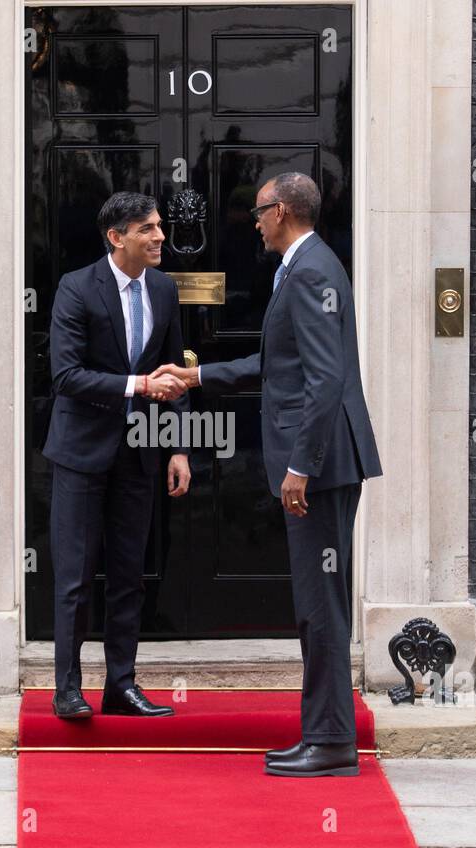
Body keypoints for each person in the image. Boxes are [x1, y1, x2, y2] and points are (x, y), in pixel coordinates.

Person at [153, 172, 382, 775]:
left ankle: (331, 742)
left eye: (257, 212)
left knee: (320, 605)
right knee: (315, 603)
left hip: (322, 467)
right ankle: (324, 735)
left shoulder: (308, 271)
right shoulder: (309, 267)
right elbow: (280, 365)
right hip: (325, 463)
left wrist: (301, 467)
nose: (253, 222)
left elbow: (325, 379)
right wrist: (198, 375)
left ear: (281, 211)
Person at [42, 191, 192, 719]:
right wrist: (135, 386)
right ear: (117, 237)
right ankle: (67, 690)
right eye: (148, 229)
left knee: (129, 574)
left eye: (159, 227)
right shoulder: (77, 288)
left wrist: (177, 445)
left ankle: (121, 686)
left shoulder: (166, 290)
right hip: (81, 454)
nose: (159, 237)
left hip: (140, 454)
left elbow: (173, 371)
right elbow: (65, 375)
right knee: (76, 578)